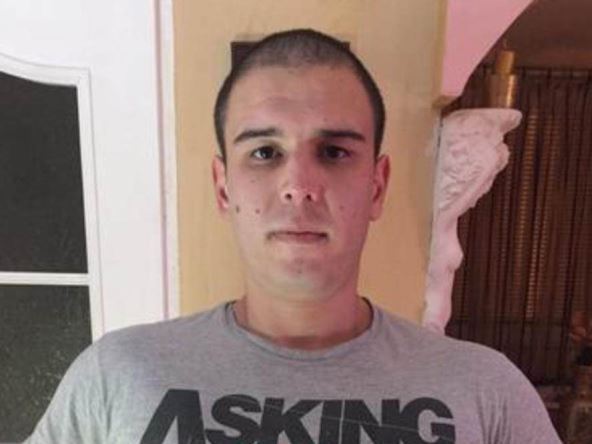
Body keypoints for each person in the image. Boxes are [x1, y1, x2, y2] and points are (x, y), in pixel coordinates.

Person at [25, 29, 561, 444]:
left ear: (376, 186)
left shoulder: (486, 390)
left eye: (334, 152)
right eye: (264, 152)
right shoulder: (116, 375)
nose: (299, 185)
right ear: (223, 187)